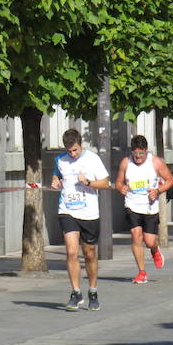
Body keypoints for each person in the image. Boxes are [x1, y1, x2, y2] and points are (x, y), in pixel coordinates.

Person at [51, 128, 110, 311]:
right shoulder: (60, 160)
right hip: (67, 210)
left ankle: (93, 291)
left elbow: (106, 183)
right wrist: (55, 181)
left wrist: (88, 183)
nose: (72, 154)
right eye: (69, 151)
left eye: (75, 150)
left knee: (90, 253)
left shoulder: (92, 159)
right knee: (71, 252)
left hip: (89, 213)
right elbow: (56, 175)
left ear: (80, 145)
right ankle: (75, 293)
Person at [115, 135, 173, 284]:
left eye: (141, 153)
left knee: (149, 241)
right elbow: (118, 182)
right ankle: (142, 272)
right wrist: (121, 188)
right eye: (135, 153)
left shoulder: (155, 162)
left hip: (150, 207)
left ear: (146, 151)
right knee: (136, 236)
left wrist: (158, 190)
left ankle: (154, 250)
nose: (138, 157)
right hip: (132, 205)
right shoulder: (126, 163)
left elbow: (170, 180)